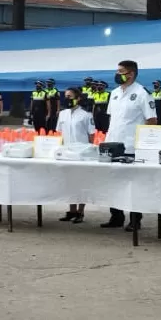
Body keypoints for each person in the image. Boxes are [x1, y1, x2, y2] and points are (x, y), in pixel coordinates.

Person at [102, 60, 156, 231]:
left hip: (131, 146)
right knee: (112, 183)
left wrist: (145, 145)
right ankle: (116, 216)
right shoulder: (115, 93)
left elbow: (152, 120)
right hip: (112, 144)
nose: (117, 74)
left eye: (120, 71)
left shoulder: (142, 93)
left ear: (131, 73)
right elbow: (113, 119)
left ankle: (135, 219)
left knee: (133, 185)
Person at [56, 87, 95, 223]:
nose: (67, 99)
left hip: (81, 153)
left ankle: (80, 211)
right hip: (67, 152)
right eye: (65, 96)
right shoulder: (62, 114)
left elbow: (91, 135)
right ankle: (71, 210)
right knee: (69, 182)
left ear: (78, 98)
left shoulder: (86, 115)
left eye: (70, 96)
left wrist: (89, 150)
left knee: (81, 182)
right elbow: (59, 133)